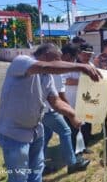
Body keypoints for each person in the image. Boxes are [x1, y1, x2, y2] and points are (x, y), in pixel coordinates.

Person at [0, 43, 101, 182]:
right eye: (57, 60)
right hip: (13, 133)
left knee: (36, 173)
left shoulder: (47, 77)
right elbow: (44, 66)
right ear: (45, 56)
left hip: (35, 132)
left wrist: (74, 115)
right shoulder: (22, 61)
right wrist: (81, 66)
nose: (60, 63)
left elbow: (56, 102)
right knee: (19, 177)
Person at [42, 44, 89, 175]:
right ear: (68, 56)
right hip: (49, 110)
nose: (74, 62)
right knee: (66, 131)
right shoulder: (57, 70)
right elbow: (60, 97)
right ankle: (72, 163)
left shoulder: (52, 67)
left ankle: (39, 165)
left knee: (45, 137)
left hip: (40, 109)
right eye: (74, 58)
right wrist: (72, 114)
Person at [62, 43, 93, 153]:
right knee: (74, 128)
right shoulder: (71, 65)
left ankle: (84, 146)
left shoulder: (91, 65)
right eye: (85, 54)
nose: (87, 57)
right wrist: (84, 82)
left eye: (89, 55)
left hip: (87, 102)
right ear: (79, 54)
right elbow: (66, 80)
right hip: (72, 102)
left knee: (87, 126)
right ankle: (75, 150)